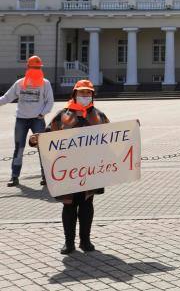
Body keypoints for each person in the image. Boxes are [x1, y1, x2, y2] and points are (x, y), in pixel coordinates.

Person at [29, 79, 109, 254]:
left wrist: (130, 132)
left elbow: (112, 138)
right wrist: (35, 140)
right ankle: (69, 242)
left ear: (92, 95)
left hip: (90, 169)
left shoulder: (99, 116)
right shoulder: (63, 115)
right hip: (68, 170)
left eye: (88, 93)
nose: (85, 96)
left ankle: (85, 241)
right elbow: (48, 136)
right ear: (74, 94)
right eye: (82, 93)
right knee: (69, 205)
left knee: (87, 204)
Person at [0, 55, 54, 187]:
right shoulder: (19, 83)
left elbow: (50, 101)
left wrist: (42, 113)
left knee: (43, 149)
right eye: (33, 67)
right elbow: (7, 98)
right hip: (21, 120)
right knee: (19, 148)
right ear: (28, 67)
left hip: (37, 120)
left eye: (38, 67)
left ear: (40, 68)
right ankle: (14, 177)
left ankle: (46, 177)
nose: (35, 69)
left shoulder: (45, 83)